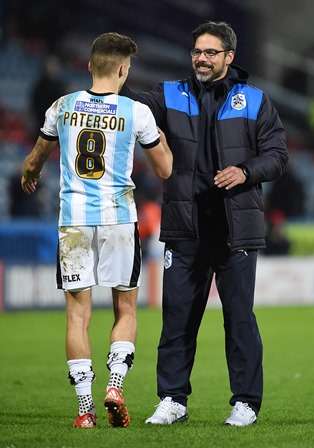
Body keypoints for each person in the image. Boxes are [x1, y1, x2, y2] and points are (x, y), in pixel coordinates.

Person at [122, 21, 288, 426]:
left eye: (211, 52)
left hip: (236, 231)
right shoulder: (170, 95)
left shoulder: (255, 100)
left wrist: (246, 172)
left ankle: (246, 402)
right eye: (197, 51)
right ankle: (172, 399)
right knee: (177, 316)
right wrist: (113, 75)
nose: (201, 58)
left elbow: (278, 155)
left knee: (239, 318)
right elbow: (129, 104)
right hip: (184, 226)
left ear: (229, 57)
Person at [21, 32, 172, 429]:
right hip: (119, 220)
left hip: (73, 221)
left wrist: (29, 175)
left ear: (89, 65)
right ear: (124, 69)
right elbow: (165, 168)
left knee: (77, 315)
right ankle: (115, 386)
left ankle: (85, 410)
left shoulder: (63, 106)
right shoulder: (135, 112)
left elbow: (35, 159)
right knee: (125, 307)